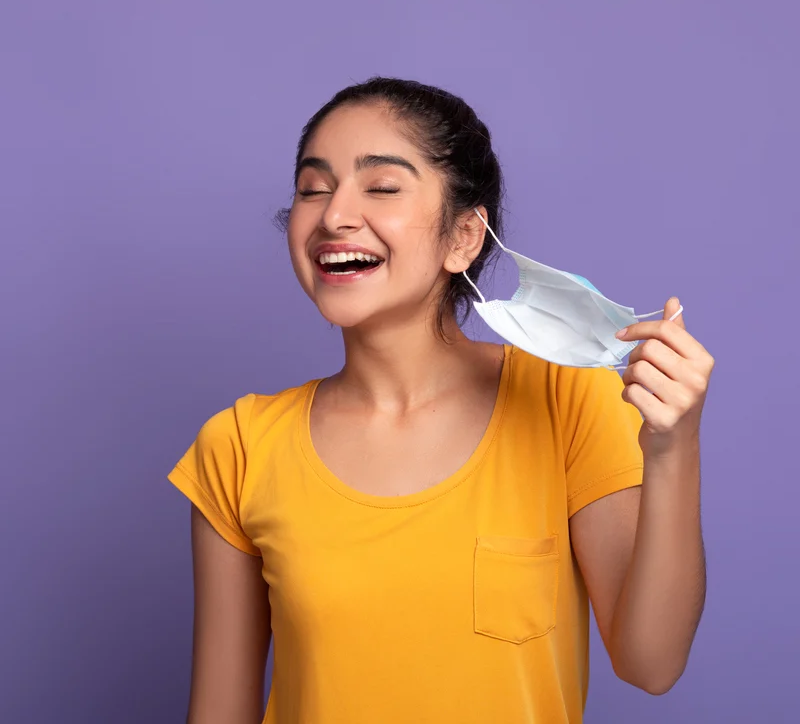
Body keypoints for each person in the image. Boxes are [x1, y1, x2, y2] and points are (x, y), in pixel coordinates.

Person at [167, 77, 714, 724]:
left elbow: (651, 663)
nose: (334, 214)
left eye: (382, 187)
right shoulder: (238, 447)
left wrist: (674, 447)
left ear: (463, 236)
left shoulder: (567, 400)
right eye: (314, 189)